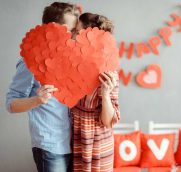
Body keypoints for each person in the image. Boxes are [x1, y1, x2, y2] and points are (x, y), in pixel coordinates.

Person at [5, 2, 80, 172]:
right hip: (50, 147)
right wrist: (37, 100)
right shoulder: (30, 61)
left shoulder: (71, 59)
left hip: (75, 145)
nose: (75, 35)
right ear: (53, 29)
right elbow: (11, 104)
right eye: (71, 30)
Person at [72, 13, 120, 172]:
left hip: (98, 144)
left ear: (89, 36)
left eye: (77, 31)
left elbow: (108, 121)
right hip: (74, 138)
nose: (73, 35)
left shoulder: (108, 71)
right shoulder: (72, 64)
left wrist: (105, 94)